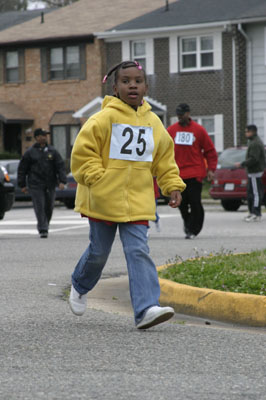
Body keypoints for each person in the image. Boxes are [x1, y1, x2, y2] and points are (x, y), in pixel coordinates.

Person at [69, 60, 186, 329]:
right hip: (103, 199)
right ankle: (79, 283)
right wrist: (98, 179)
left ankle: (146, 309)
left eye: (137, 80)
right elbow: (83, 154)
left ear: (146, 87)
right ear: (115, 87)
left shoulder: (154, 123)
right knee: (99, 253)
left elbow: (164, 159)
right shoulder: (102, 119)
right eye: (125, 81)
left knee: (138, 251)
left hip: (137, 201)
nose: (132, 85)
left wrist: (173, 185)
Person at [167, 103, 218, 239]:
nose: (180, 117)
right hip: (178, 174)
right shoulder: (171, 131)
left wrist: (211, 169)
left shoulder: (199, 130)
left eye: (182, 115)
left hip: (195, 173)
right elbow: (164, 151)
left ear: (188, 114)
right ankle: (188, 223)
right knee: (182, 203)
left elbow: (210, 151)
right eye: (178, 115)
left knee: (195, 202)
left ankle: (193, 229)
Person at [17, 128, 67, 238]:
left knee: (49, 207)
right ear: (36, 138)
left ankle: (45, 224)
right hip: (35, 184)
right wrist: (22, 185)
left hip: (50, 183)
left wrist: (62, 181)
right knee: (40, 206)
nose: (44, 137)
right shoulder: (30, 152)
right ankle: (43, 229)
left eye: (45, 135)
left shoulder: (52, 151)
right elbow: (22, 169)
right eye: (42, 135)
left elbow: (60, 166)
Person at [235, 124, 266, 222]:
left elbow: (254, 159)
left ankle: (256, 213)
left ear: (252, 132)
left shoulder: (255, 143)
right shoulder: (252, 142)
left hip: (255, 172)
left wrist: (242, 164)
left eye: (247, 131)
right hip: (252, 173)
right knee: (250, 193)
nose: (246, 133)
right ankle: (252, 212)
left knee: (256, 193)